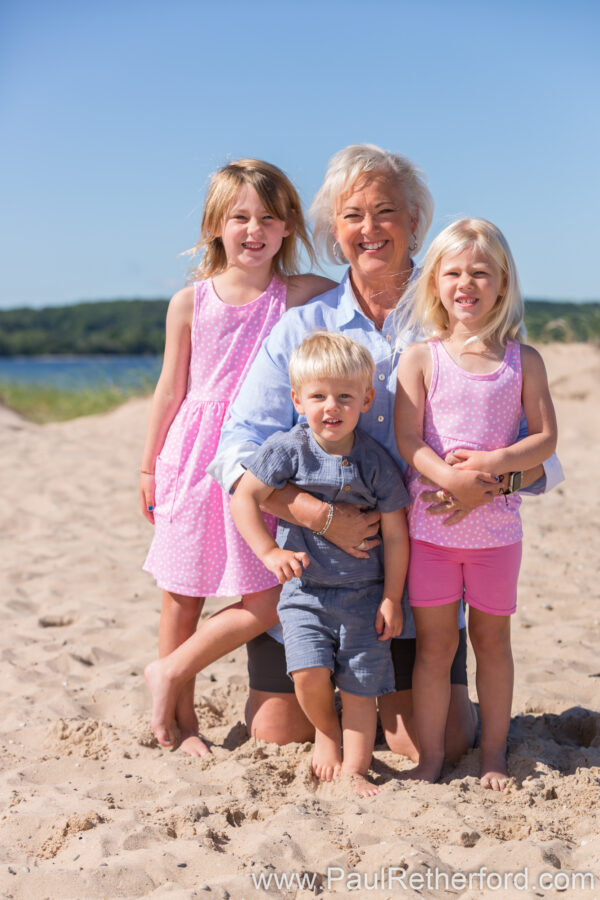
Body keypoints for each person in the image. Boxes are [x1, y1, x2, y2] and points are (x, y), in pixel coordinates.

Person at [209, 144, 564, 764]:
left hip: (416, 578)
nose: (369, 228)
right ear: (334, 229)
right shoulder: (303, 325)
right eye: (352, 215)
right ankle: (341, 701)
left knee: (442, 741)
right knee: (275, 731)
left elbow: (540, 454)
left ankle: (372, 699)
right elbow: (237, 446)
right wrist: (315, 514)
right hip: (318, 573)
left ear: (415, 221)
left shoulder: (464, 313)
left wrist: (495, 484)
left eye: (386, 211)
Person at [140, 158, 335, 755]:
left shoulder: (298, 294)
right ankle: (181, 725)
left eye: (269, 219)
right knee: (182, 596)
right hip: (191, 458)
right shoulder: (189, 302)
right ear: (215, 226)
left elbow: (366, 293)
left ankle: (168, 670)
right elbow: (169, 389)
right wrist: (148, 466)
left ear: (288, 227)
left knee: (266, 596)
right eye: (240, 218)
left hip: (259, 464)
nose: (255, 230)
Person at [395, 218, 558, 790]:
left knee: (492, 643)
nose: (466, 283)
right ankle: (431, 758)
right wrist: (446, 477)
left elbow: (546, 439)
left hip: (496, 535)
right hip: (432, 532)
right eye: (454, 273)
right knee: (436, 647)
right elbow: (408, 439)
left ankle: (493, 754)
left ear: (503, 282)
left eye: (481, 273)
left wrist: (495, 462)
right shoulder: (421, 358)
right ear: (435, 283)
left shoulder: (523, 360)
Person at [230, 333, 409, 796]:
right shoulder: (288, 449)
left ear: (366, 400)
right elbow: (244, 497)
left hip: (364, 596)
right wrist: (269, 552)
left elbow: (395, 534)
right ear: (297, 400)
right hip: (305, 594)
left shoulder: (375, 462)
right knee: (308, 674)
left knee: (361, 687)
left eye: (345, 396)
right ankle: (326, 732)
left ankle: (355, 770)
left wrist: (392, 597)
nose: (332, 407)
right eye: (318, 396)